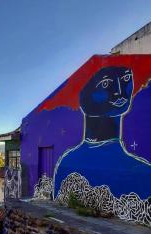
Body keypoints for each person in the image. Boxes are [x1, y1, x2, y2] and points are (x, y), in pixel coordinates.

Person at [54, 66, 151, 200]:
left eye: (126, 78)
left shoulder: (144, 172)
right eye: (106, 84)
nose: (119, 91)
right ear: (84, 98)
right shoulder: (67, 163)